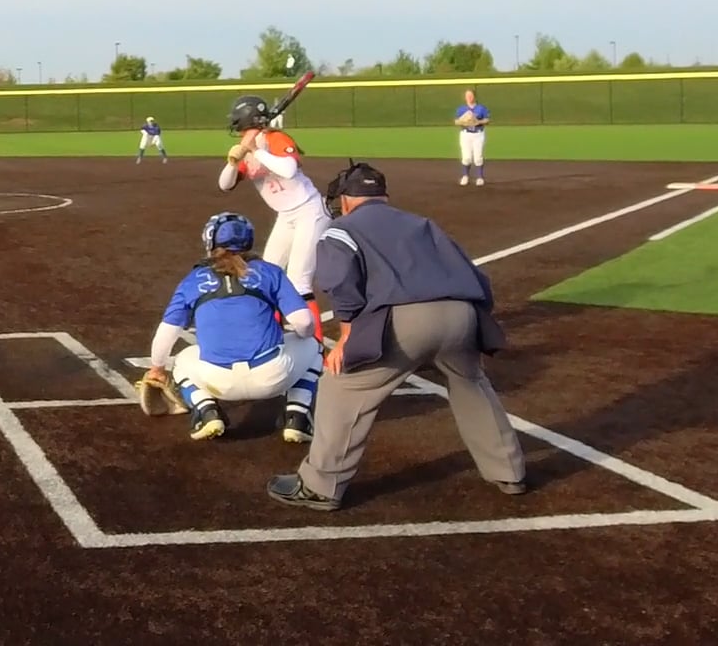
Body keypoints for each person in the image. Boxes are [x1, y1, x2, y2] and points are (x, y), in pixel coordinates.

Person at [267, 161, 527, 512]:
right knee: (471, 384)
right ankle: (509, 471)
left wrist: (347, 337)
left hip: (406, 323)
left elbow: (340, 282)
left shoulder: (340, 229)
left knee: (342, 385)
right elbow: (476, 277)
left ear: (345, 200)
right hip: (461, 314)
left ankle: (320, 485)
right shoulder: (423, 224)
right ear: (383, 196)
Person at [138, 212, 322, 443]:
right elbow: (304, 322)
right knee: (313, 345)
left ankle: (206, 411)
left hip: (218, 382)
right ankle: (298, 416)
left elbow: (166, 333)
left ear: (210, 241)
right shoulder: (270, 272)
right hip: (273, 377)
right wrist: (300, 338)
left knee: (181, 361)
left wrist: (157, 368)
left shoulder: (192, 280)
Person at [219, 94, 326, 340]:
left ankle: (316, 346)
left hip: (309, 211)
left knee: (299, 282)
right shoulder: (247, 149)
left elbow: (289, 169)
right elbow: (225, 184)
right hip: (286, 216)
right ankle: (270, 336)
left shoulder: (276, 138)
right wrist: (234, 161)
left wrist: (256, 150)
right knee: (266, 275)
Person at [455, 89, 489, 186]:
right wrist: (464, 121)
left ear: (474, 96)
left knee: (478, 158)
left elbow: (487, 120)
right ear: (465, 97)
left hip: (478, 134)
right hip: (465, 134)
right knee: (466, 157)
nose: (469, 97)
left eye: (471, 95)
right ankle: (465, 176)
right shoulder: (461, 109)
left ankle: (480, 177)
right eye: (467, 96)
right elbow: (456, 121)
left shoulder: (481, 108)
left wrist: (478, 122)